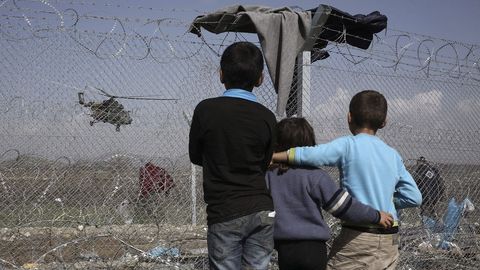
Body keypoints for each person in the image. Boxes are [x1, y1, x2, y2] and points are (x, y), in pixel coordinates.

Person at [272, 90, 423, 270]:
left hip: (360, 233)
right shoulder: (393, 155)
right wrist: (388, 200)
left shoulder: (347, 145)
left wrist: (277, 156)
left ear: (349, 117)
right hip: (391, 237)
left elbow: (312, 154)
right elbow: (415, 197)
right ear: (384, 122)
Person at [189, 42, 277, 270]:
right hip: (262, 208)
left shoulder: (205, 110)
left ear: (221, 74)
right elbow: (266, 162)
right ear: (261, 79)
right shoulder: (267, 117)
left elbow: (196, 155)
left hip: (225, 210)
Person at [267, 117, 394, 270]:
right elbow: (344, 207)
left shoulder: (269, 176)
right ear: (309, 146)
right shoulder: (315, 176)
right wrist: (376, 216)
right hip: (312, 249)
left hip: (283, 249)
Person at [413, 156, 445, 230]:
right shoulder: (434, 170)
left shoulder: (419, 171)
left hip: (424, 197)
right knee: (433, 212)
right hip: (436, 196)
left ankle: (425, 227)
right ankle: (439, 225)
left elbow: (414, 184)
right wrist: (441, 194)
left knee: (424, 212)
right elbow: (441, 183)